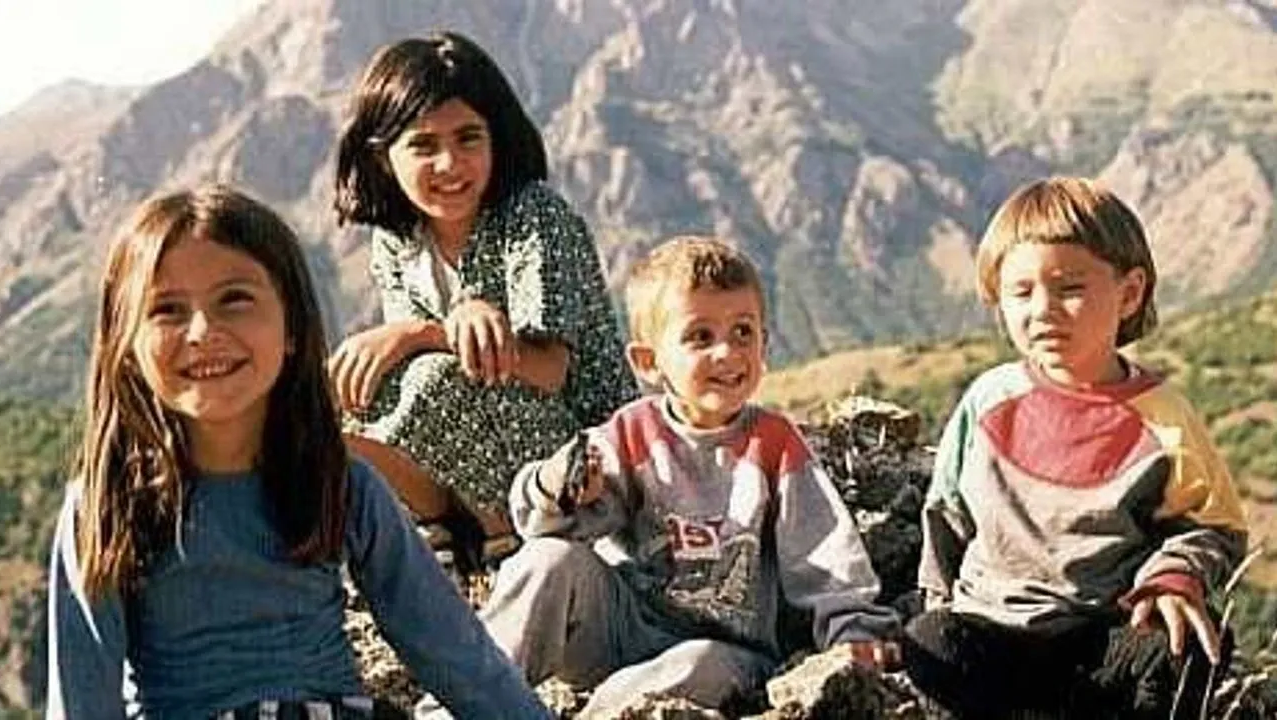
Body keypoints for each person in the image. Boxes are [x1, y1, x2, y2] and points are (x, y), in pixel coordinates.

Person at [44, 185, 551, 719]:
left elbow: (453, 651)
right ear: (126, 348)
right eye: (166, 310)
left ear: (291, 327)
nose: (203, 332)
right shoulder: (108, 506)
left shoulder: (341, 484)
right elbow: (82, 702)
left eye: (234, 300)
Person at [480, 236, 899, 717]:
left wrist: (853, 632)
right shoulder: (631, 433)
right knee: (548, 560)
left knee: (696, 663)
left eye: (743, 332)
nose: (727, 352)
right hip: (623, 628)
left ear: (765, 343)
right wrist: (560, 489)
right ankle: (464, 699)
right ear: (648, 362)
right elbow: (541, 525)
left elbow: (824, 552)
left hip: (726, 651)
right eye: (700, 336)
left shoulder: (775, 445)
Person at [902, 177, 1249, 718]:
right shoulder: (988, 400)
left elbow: (1212, 526)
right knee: (931, 642)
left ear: (1129, 294)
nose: (1042, 309)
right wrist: (940, 603)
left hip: (1102, 638)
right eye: (1021, 292)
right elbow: (946, 514)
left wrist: (1175, 578)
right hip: (991, 627)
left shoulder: (1164, 417)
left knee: (1191, 650)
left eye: (1069, 288)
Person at [331, 32, 637, 565]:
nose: (449, 163)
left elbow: (550, 371)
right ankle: (444, 531)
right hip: (478, 449)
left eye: (468, 138)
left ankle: (503, 541)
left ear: (496, 137)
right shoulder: (397, 241)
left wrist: (428, 332)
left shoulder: (533, 216)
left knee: (431, 379)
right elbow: (400, 377)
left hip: (582, 453)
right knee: (331, 414)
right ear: (383, 158)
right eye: (423, 146)